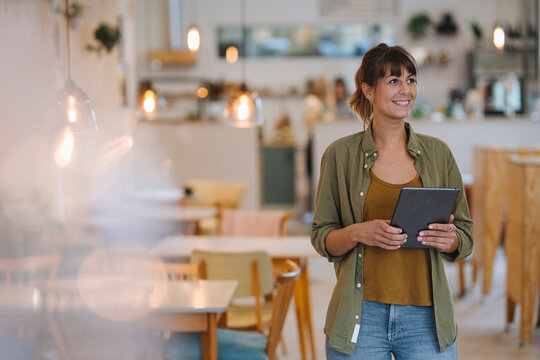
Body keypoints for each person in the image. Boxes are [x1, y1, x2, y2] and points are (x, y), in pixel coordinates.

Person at [311, 43, 473, 359]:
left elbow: (465, 236)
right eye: (394, 81)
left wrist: (450, 240)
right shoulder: (340, 155)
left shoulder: (438, 153)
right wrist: (360, 232)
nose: (406, 90)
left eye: (411, 80)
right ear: (368, 90)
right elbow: (322, 239)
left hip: (426, 317)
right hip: (361, 315)